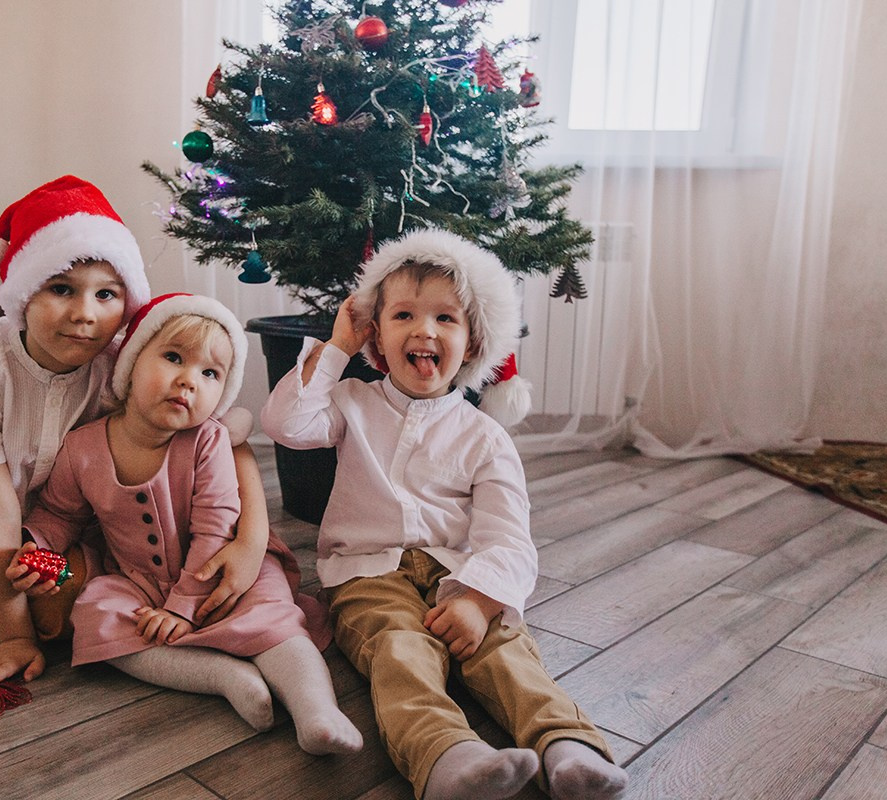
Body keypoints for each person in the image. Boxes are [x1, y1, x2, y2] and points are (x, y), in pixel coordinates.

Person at [261, 228, 628, 800]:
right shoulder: (351, 403)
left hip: (460, 571)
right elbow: (286, 423)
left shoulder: (486, 437)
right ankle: (445, 757)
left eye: (446, 319)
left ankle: (566, 744)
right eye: (403, 314)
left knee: (505, 649)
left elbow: (508, 536)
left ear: (474, 344)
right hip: (365, 573)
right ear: (376, 335)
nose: (424, 330)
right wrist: (337, 346)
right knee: (399, 647)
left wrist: (480, 600)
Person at [0, 176, 271, 696]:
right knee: (48, 605)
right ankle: (88, 604)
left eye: (107, 294)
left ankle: (148, 603)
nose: (85, 314)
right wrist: (13, 637)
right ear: (24, 292)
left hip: (95, 520)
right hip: (1, 526)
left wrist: (250, 543)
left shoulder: (127, 361)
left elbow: (225, 437)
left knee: (102, 594)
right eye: (61, 288)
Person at [18, 293, 363, 755]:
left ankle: (316, 711)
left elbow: (216, 525)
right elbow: (60, 513)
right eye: (173, 358)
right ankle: (222, 678)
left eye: (210, 374)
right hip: (140, 579)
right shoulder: (82, 448)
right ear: (131, 365)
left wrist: (182, 606)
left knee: (274, 619)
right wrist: (35, 542)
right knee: (97, 613)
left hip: (220, 570)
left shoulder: (208, 440)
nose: (188, 381)